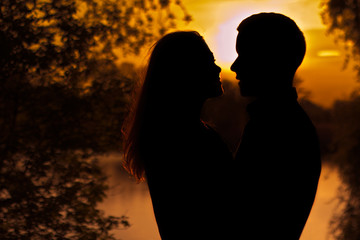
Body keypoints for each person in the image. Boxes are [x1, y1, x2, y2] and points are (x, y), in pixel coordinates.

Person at [122, 31, 233, 240]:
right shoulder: (185, 140)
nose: (217, 68)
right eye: (208, 62)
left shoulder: (170, 133)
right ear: (185, 72)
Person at [230, 13, 321, 239]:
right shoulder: (283, 123)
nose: (234, 66)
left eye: (244, 56)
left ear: (270, 60)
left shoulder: (275, 130)